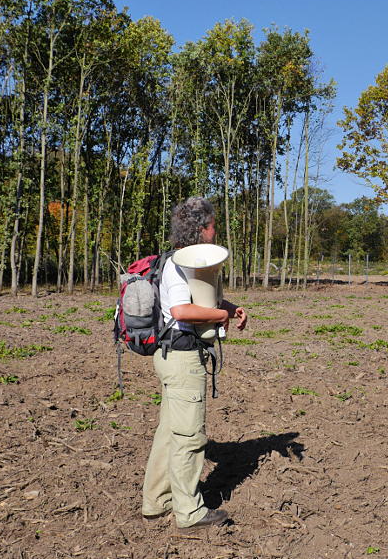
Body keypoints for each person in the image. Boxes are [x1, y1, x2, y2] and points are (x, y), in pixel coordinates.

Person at [142, 197, 248, 530]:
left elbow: (201, 300)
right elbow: (181, 311)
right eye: (213, 224)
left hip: (175, 355)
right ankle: (190, 513)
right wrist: (219, 315)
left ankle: (157, 501)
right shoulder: (177, 264)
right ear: (201, 228)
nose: (216, 229)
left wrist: (230, 308)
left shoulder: (187, 262)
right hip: (183, 357)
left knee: (169, 433)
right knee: (189, 437)